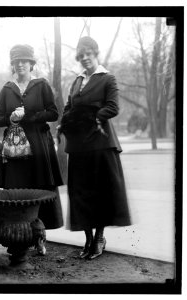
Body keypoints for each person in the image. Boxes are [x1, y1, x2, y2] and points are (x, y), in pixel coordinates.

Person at [58, 36, 131, 260]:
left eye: (88, 54)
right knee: (80, 193)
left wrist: (90, 117)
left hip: (100, 143)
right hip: (79, 146)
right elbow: (70, 106)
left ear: (95, 54)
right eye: (81, 56)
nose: (85, 59)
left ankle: (99, 238)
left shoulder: (107, 78)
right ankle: (88, 240)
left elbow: (113, 107)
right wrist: (67, 122)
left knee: (99, 194)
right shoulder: (77, 81)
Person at [0, 44, 64, 254]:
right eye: (17, 62)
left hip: (39, 145)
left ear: (31, 64)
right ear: (13, 65)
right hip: (15, 152)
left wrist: (31, 116)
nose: (21, 64)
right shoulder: (7, 88)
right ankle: (18, 238)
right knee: (17, 191)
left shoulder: (41, 85)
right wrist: (11, 118)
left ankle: (39, 236)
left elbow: (53, 113)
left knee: (39, 187)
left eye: (24, 61)